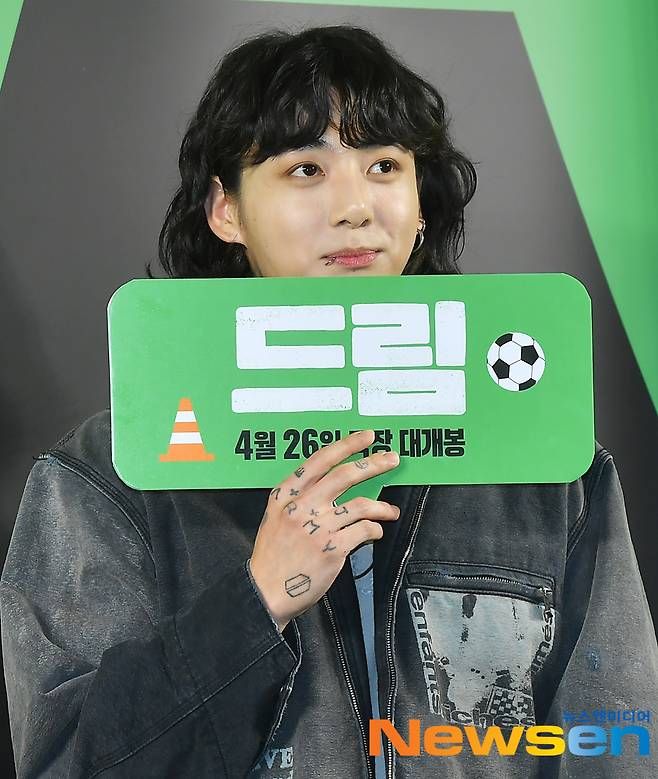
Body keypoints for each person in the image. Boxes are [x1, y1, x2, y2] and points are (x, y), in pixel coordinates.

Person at [2, 24, 656, 779]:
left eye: (384, 165)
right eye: (305, 169)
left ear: (419, 203)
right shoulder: (109, 475)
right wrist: (256, 602)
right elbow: (67, 763)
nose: (354, 206)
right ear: (226, 209)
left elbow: (619, 740)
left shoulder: (549, 459)